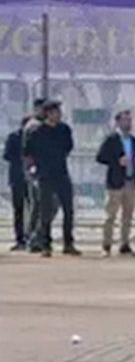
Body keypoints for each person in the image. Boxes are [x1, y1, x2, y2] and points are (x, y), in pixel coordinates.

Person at [25, 100, 78, 258]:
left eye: (59, 112)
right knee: (45, 210)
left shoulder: (64, 130)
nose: (58, 114)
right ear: (47, 113)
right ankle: (45, 244)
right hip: (45, 174)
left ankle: (68, 243)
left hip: (61, 172)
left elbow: (68, 147)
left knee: (68, 208)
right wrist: (34, 170)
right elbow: (28, 152)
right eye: (55, 112)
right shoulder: (37, 131)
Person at [95, 110, 135, 257]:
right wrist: (116, 161)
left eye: (129, 121)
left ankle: (125, 244)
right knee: (110, 215)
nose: (128, 124)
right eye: (124, 120)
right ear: (118, 122)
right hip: (115, 182)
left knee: (128, 215)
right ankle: (106, 244)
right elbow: (100, 157)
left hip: (130, 181)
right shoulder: (111, 139)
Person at [19, 99, 47, 252]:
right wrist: (32, 168)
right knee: (42, 204)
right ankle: (34, 236)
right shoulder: (34, 126)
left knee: (39, 204)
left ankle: (33, 236)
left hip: (41, 170)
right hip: (37, 171)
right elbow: (28, 151)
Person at [4, 115, 31, 251]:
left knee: (34, 208)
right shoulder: (13, 137)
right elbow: (7, 155)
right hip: (17, 177)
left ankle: (32, 237)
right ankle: (20, 239)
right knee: (19, 209)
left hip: (33, 177)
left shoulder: (36, 137)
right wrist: (21, 157)